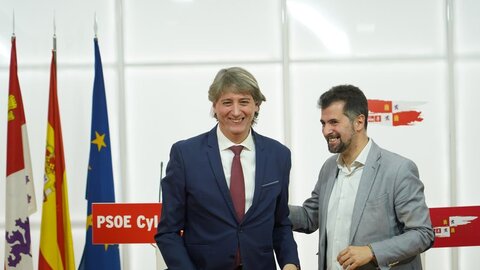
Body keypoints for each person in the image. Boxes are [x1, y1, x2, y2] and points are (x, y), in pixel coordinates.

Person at [155, 67, 300, 270]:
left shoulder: (279, 155)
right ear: (214, 106)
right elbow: (168, 232)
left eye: (244, 102)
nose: (235, 111)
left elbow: (280, 223)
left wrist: (290, 262)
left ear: (257, 105)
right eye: (226, 102)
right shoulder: (185, 154)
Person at [289, 84, 434, 270]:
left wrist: (372, 251)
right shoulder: (329, 167)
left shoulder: (398, 170)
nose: (326, 131)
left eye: (334, 122)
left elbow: (422, 234)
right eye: (323, 123)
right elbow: (310, 218)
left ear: (359, 122)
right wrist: (267, 206)